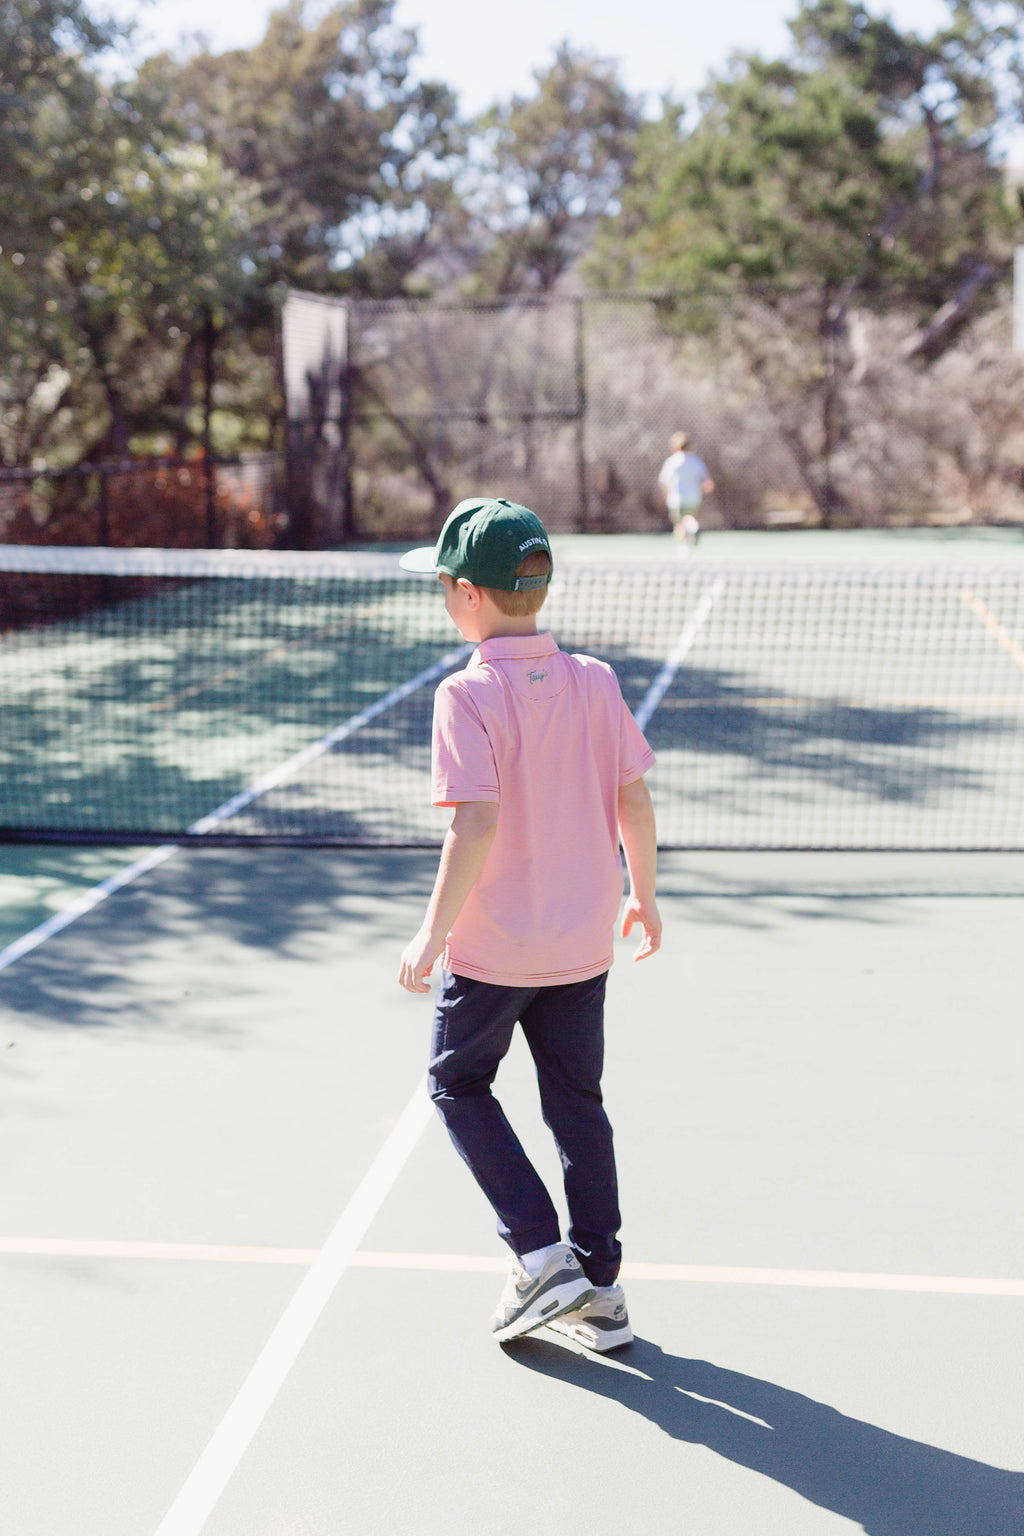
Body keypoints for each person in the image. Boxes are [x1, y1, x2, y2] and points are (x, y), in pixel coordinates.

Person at [398, 497, 661, 1351]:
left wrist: (432, 934)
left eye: (443, 584)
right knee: (576, 1103)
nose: (443, 596)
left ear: (469, 594)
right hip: (584, 942)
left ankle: (542, 1255)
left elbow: (473, 823)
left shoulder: (465, 694)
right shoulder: (595, 680)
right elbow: (632, 797)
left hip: (495, 949)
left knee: (456, 1082)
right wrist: (644, 895)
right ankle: (602, 1290)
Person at [658, 431, 714, 552]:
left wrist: (666, 494)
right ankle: (693, 527)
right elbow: (708, 483)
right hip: (694, 497)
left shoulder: (672, 462)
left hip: (676, 498)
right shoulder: (696, 462)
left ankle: (684, 548)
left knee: (679, 525)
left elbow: (663, 481)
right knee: (689, 518)